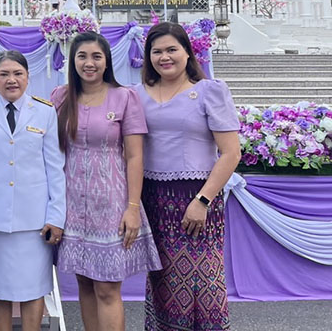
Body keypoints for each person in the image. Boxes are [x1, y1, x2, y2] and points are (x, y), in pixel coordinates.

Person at [51, 32, 161, 331]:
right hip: (72, 204)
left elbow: (135, 157)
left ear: (106, 61)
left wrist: (133, 207)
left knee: (108, 288)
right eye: (82, 56)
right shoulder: (60, 97)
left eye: (96, 57)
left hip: (111, 204)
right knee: (84, 284)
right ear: (72, 61)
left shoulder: (124, 97)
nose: (89, 63)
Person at [134, 22, 241, 330]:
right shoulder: (137, 94)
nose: (164, 57)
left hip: (197, 197)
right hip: (153, 199)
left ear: (187, 52)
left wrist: (202, 200)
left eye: (171, 50)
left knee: (204, 283)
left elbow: (231, 153)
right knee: (163, 283)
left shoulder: (210, 91)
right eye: (157, 52)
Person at [0, 51, 65, 331]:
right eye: (4, 74)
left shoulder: (45, 111)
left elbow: (55, 168)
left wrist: (56, 216)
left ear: (28, 77)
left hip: (34, 219)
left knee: (34, 287)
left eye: (18, 74)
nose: (11, 80)